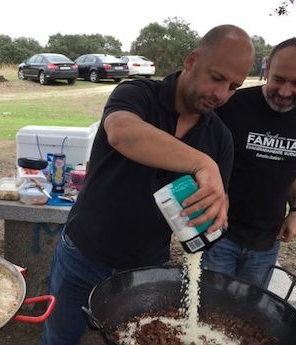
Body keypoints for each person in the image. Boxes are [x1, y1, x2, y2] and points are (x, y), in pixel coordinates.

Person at [40, 25, 255, 345]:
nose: (221, 94)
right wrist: (201, 163)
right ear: (192, 60)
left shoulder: (219, 138)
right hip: (84, 253)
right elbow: (123, 133)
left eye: (233, 87)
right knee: (60, 336)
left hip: (146, 268)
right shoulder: (137, 93)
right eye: (217, 77)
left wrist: (212, 215)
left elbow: (209, 202)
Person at [201, 37, 296, 289]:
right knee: (209, 309)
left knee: (248, 314)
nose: (284, 91)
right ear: (266, 68)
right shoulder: (231, 105)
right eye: (278, 78)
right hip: (219, 234)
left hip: (267, 241)